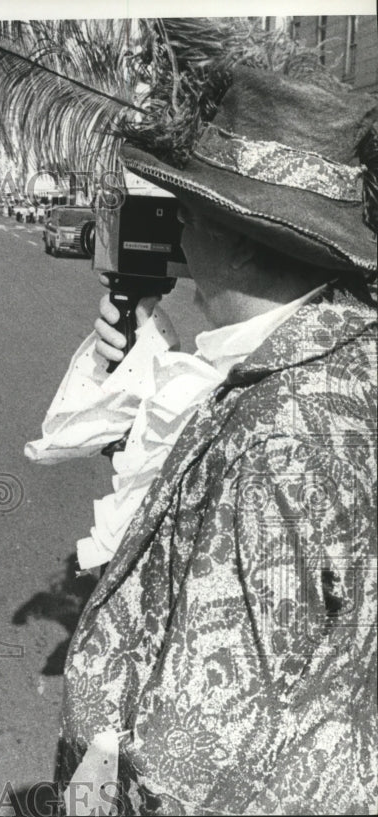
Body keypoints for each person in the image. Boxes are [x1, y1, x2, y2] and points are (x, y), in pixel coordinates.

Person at [27, 65, 377, 814]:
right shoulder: (329, 360)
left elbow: (211, 732)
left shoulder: (280, 436)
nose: (176, 227)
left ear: (242, 237)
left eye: (190, 209)